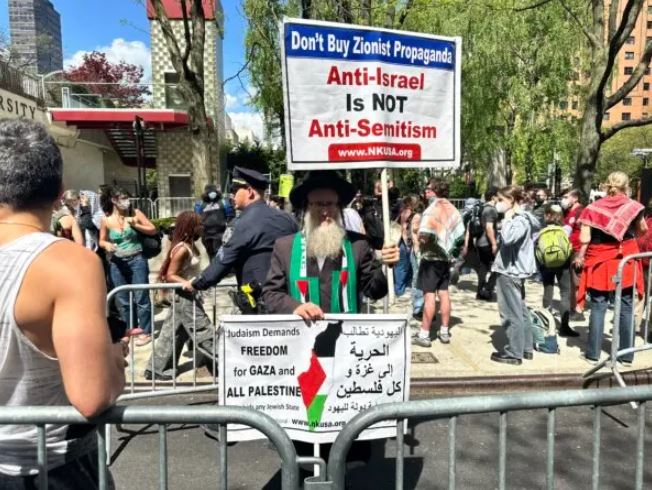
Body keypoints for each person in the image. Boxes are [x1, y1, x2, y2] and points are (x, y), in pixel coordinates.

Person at [0, 119, 126, 486]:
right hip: (49, 467)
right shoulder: (69, 264)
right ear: (60, 192)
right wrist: (114, 360)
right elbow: (91, 397)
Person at [263, 170, 399, 319]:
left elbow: (374, 291)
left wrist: (386, 266)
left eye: (330, 204)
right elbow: (271, 294)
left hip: (346, 337)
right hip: (302, 338)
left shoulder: (357, 245)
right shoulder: (284, 247)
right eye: (318, 204)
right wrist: (296, 307)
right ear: (307, 207)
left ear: (339, 207)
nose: (325, 212)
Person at [185, 167, 299, 295]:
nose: (232, 195)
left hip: (257, 299)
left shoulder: (240, 223)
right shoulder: (288, 219)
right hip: (288, 298)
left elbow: (223, 261)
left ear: (250, 191)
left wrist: (197, 283)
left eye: (235, 190)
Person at [575, 172, 647, 365]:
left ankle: (592, 354)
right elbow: (642, 231)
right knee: (626, 305)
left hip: (600, 259)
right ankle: (626, 356)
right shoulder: (634, 207)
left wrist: (581, 257)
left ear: (607, 185)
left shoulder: (592, 208)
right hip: (626, 258)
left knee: (598, 305)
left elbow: (584, 238)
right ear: (627, 185)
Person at [146, 211, 217, 381]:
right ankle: (224, 360)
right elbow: (170, 275)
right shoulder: (182, 250)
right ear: (191, 227)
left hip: (187, 296)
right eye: (199, 225)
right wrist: (186, 284)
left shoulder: (190, 245)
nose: (202, 228)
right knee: (204, 331)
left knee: (173, 333)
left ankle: (156, 369)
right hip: (184, 297)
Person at [99, 186, 158, 346]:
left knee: (141, 297)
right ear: (113, 200)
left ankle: (145, 331)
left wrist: (135, 225)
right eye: (123, 198)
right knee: (123, 300)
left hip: (137, 259)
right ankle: (129, 330)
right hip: (117, 263)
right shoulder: (106, 220)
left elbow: (153, 229)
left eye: (127, 197)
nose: (127, 201)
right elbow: (101, 240)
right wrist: (107, 246)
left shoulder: (135, 213)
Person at [412, 179, 465, 347]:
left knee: (429, 296)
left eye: (428, 189)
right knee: (444, 293)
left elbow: (425, 235)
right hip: (445, 258)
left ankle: (425, 334)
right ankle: (444, 331)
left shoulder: (432, 209)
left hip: (431, 258)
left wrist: (417, 235)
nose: (426, 192)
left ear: (435, 191)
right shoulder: (452, 208)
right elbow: (460, 233)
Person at [490, 186, 538, 365]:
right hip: (516, 269)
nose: (497, 203)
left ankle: (514, 352)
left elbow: (510, 238)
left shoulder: (518, 219)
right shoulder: (523, 218)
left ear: (512, 200)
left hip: (510, 271)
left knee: (511, 312)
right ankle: (525, 348)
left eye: (501, 200)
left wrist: (507, 220)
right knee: (521, 310)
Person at [537, 203, 578, 337]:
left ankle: (546, 323)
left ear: (546, 215)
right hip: (563, 263)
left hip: (546, 263)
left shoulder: (540, 229)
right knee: (565, 293)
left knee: (548, 290)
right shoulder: (566, 228)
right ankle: (564, 326)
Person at [561, 188, 586, 321]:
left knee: (577, 282)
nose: (563, 200)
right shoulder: (568, 212)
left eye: (566, 197)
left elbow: (585, 234)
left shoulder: (581, 212)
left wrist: (581, 254)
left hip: (577, 250)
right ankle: (572, 308)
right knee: (571, 282)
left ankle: (579, 310)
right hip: (568, 250)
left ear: (575, 198)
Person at [475, 187, 500, 300]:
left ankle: (480, 291)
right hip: (488, 242)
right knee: (498, 266)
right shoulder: (491, 210)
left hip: (480, 241)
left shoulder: (482, 208)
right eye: (498, 195)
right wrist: (494, 243)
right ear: (493, 196)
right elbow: (489, 228)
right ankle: (488, 289)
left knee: (483, 267)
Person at [393, 195, 420, 296]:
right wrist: (407, 244)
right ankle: (399, 290)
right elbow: (404, 229)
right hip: (404, 243)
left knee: (404, 266)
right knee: (402, 267)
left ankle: (402, 289)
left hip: (403, 243)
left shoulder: (403, 212)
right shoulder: (407, 212)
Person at [199, 184, 227, 261]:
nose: (212, 193)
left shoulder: (223, 202)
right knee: (210, 254)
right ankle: (213, 269)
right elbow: (197, 218)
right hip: (206, 235)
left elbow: (230, 216)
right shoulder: (200, 204)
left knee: (219, 253)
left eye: (214, 191)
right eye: (210, 192)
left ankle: (219, 270)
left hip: (220, 234)